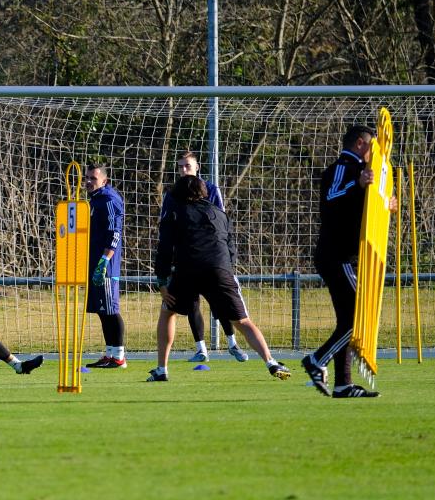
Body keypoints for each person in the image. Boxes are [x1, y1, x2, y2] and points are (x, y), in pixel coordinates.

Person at [148, 175, 291, 382]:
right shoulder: (219, 213)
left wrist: (161, 281)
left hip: (187, 270)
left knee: (168, 312)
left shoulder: (174, 213)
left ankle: (162, 369)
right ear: (204, 192)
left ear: (178, 194)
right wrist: (227, 271)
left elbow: (164, 248)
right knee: (242, 321)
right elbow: (230, 248)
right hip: (219, 269)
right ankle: (271, 362)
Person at [302, 125, 396, 398]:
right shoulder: (344, 166)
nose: (375, 153)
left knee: (347, 320)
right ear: (360, 144)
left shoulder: (360, 172)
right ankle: (317, 360)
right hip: (334, 255)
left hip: (343, 256)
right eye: (372, 147)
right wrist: (358, 183)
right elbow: (332, 197)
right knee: (359, 315)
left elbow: (363, 213)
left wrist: (384, 205)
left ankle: (343, 384)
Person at [160, 151, 248, 363]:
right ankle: (201, 349)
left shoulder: (210, 189)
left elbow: (220, 222)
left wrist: (228, 259)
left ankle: (232, 343)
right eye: (180, 166)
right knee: (190, 304)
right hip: (185, 259)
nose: (183, 170)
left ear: (197, 167)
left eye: (187, 166)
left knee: (220, 303)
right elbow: (166, 227)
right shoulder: (171, 195)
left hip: (211, 257)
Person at [83, 164, 128, 369]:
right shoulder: (94, 200)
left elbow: (115, 232)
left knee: (111, 309)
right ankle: (110, 354)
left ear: (104, 181)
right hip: (93, 262)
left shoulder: (109, 199)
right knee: (103, 310)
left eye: (93, 178)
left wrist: (105, 261)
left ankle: (119, 356)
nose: (89, 181)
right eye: (87, 178)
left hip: (106, 265)